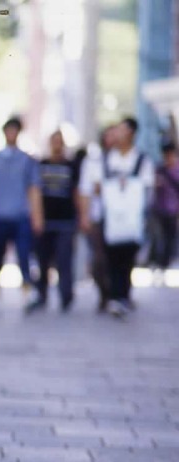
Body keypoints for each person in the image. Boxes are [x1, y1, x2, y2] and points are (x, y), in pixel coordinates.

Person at [79, 117, 154, 318]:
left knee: (127, 257)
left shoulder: (141, 160)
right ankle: (111, 296)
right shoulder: (104, 160)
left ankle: (122, 296)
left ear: (131, 133)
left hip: (132, 220)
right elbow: (90, 187)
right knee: (106, 258)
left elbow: (147, 190)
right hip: (108, 219)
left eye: (121, 130)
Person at [0, 117, 45, 306]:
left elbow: (34, 190)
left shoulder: (28, 161)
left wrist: (37, 216)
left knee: (24, 256)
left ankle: (26, 291)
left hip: (21, 215)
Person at [28, 130, 84, 313]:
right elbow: (34, 192)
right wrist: (37, 217)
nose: (57, 145)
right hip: (45, 221)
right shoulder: (41, 165)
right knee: (42, 261)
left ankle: (66, 296)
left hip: (66, 221)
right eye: (54, 141)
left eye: (60, 142)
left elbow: (77, 192)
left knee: (64, 260)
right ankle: (41, 294)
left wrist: (81, 216)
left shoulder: (71, 166)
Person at [77, 126, 116, 310]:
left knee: (119, 257)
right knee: (98, 258)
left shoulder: (128, 160)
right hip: (98, 216)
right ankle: (104, 293)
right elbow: (85, 189)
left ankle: (119, 293)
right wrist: (85, 216)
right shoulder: (92, 162)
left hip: (120, 217)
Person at [148, 140, 179, 274]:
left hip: (174, 209)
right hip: (159, 209)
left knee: (171, 236)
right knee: (159, 237)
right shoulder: (159, 169)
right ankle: (159, 262)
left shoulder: (176, 169)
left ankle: (166, 261)